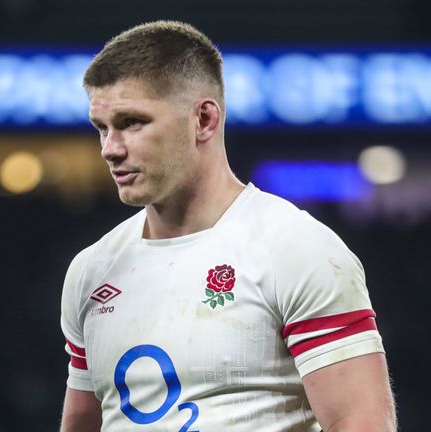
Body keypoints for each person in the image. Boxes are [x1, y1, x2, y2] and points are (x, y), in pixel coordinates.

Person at [59, 21, 396, 432]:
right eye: (102, 128)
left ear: (203, 119)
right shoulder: (91, 270)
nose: (110, 148)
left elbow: (359, 422)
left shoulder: (295, 248)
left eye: (132, 122)